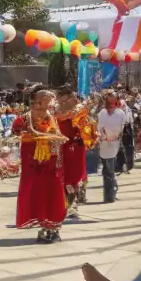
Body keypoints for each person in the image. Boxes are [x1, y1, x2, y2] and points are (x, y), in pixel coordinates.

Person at [13, 89, 68, 243]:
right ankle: (45, 227)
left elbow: (57, 133)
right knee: (37, 191)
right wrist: (54, 137)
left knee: (53, 191)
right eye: (50, 99)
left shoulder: (51, 117)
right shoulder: (28, 116)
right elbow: (30, 133)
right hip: (35, 162)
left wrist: (56, 138)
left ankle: (52, 227)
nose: (53, 102)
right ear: (41, 100)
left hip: (52, 161)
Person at [55, 87, 87, 218]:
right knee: (62, 175)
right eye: (60, 100)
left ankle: (72, 204)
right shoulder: (55, 109)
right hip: (59, 145)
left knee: (75, 175)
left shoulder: (80, 109)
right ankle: (66, 203)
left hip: (75, 146)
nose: (61, 103)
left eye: (64, 100)